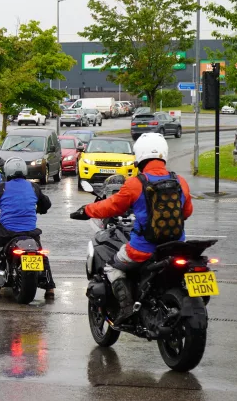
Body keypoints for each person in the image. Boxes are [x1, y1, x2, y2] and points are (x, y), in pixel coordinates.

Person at [70, 133, 193, 323]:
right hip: (177, 247)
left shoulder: (136, 184)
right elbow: (187, 212)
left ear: (140, 155)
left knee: (112, 266)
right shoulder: (180, 181)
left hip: (142, 250)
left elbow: (111, 206)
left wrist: (87, 210)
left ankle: (127, 308)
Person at [0, 157, 56, 298]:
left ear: (7, 171)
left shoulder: (2, 187)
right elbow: (46, 203)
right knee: (40, 253)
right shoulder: (33, 187)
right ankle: (50, 288)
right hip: (30, 231)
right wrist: (41, 209)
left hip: (8, 230)